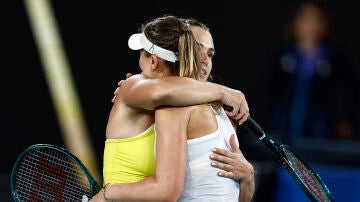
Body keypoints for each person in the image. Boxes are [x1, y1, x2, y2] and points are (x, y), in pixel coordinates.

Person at [90, 15, 254, 202]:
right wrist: (224, 92)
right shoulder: (135, 86)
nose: (204, 60)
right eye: (197, 50)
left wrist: (247, 176)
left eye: (210, 54)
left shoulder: (205, 109)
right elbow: (164, 91)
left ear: (153, 61)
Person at [265, 1, 359, 142]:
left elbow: (351, 91)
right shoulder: (281, 55)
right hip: (283, 130)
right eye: (305, 20)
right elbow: (268, 91)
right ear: (295, 24)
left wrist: (345, 120)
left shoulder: (335, 57)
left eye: (314, 21)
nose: (309, 27)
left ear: (324, 26)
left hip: (322, 132)